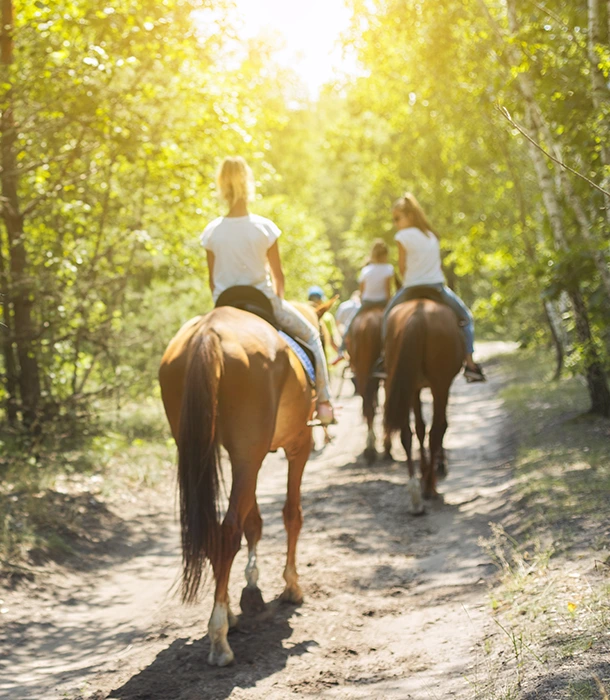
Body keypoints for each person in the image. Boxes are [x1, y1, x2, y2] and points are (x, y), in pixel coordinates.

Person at [201, 156, 336, 424]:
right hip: (262, 302)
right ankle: (323, 403)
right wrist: (277, 301)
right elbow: (278, 277)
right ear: (248, 183)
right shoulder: (264, 228)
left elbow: (212, 282)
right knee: (311, 335)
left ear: (221, 187)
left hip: (224, 305)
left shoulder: (212, 232)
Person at [381, 192, 485, 382]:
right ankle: (470, 363)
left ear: (409, 216)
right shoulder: (431, 235)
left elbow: (402, 269)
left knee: (387, 317)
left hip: (411, 288)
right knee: (466, 318)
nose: (395, 223)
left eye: (397, 218)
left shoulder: (402, 236)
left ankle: (383, 359)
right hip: (436, 287)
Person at [333, 239, 394, 364]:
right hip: (382, 302)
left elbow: (361, 292)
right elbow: (388, 291)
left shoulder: (366, 270)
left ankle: (341, 349)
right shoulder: (388, 269)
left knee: (351, 323)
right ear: (385, 255)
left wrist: (363, 300)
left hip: (367, 303)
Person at [307, 286, 341, 358]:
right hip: (323, 357)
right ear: (320, 300)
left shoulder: (302, 314)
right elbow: (332, 342)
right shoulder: (327, 317)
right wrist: (341, 353)